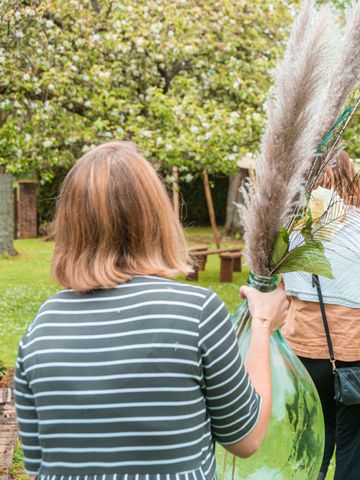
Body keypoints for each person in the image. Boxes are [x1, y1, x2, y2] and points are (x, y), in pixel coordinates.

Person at [14, 142, 287, 480]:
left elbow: (39, 466)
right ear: (156, 216)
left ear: (69, 224)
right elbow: (246, 438)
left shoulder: (40, 328)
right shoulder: (197, 313)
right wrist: (262, 322)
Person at [282, 152, 360, 480]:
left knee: (311, 445)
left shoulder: (292, 228)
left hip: (303, 352)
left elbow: (281, 289)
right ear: (354, 179)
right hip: (358, 351)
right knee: (351, 450)